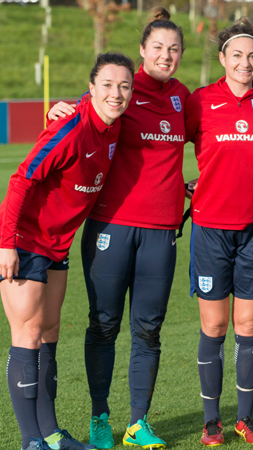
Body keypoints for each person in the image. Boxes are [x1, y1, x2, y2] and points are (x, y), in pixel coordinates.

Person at [48, 9, 189, 448]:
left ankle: (138, 422)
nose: (166, 56)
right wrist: (60, 108)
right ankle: (99, 417)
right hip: (112, 225)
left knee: (149, 327)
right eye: (158, 48)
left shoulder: (186, 97)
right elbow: (78, 116)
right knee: (104, 324)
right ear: (143, 51)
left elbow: (223, 138)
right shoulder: (121, 90)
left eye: (174, 49)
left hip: (161, 231)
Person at [0, 52, 134, 450]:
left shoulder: (114, 124)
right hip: (25, 242)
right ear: (91, 88)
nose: (117, 93)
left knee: (49, 333)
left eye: (124, 86)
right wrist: (6, 244)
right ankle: (30, 441)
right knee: (26, 334)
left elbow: (105, 99)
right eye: (107, 85)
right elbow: (21, 180)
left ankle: (52, 433)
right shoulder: (70, 130)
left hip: (58, 243)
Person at [184, 17, 253, 447]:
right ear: (222, 59)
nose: (244, 62)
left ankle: (245, 418)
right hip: (210, 228)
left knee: (247, 326)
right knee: (213, 327)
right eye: (236, 55)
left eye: (252, 56)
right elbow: (161, 144)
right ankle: (212, 420)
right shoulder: (200, 102)